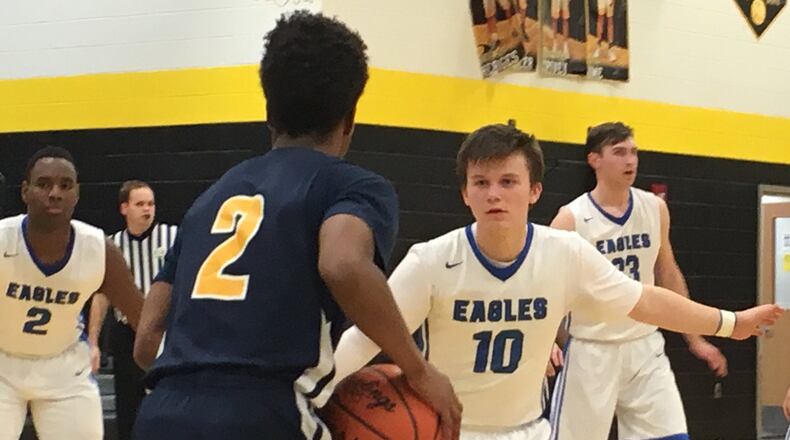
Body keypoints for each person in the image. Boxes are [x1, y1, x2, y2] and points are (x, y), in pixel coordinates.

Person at [333, 123, 783, 440]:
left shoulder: (563, 252)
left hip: (530, 430)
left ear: (534, 191)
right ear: (464, 192)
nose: (494, 193)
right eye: (481, 182)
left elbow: (644, 299)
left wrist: (729, 322)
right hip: (452, 430)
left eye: (508, 181)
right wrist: (310, 394)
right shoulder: (431, 261)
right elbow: (365, 338)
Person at [131, 11, 461, 440]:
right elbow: (343, 264)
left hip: (161, 414)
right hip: (264, 412)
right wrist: (419, 371)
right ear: (349, 119)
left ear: (269, 112)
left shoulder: (208, 200)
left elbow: (145, 342)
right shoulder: (351, 186)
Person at [549, 122, 728, 440]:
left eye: (633, 152)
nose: (630, 160)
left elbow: (668, 272)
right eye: (619, 152)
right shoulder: (570, 219)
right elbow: (547, 290)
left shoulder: (654, 207)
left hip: (644, 344)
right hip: (593, 348)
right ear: (595, 160)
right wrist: (546, 341)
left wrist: (695, 339)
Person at [0, 146, 144, 440]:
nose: (55, 193)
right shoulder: (3, 238)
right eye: (44, 184)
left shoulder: (98, 249)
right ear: (25, 191)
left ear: (77, 194)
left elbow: (141, 318)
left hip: (64, 368)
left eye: (65, 186)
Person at [88, 180, 177, 440]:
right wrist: (93, 341)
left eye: (150, 203)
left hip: (165, 332)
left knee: (168, 399)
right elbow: (101, 296)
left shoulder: (172, 237)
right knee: (129, 407)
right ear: (124, 208)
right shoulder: (111, 245)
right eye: (140, 204)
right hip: (127, 333)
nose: (147, 209)